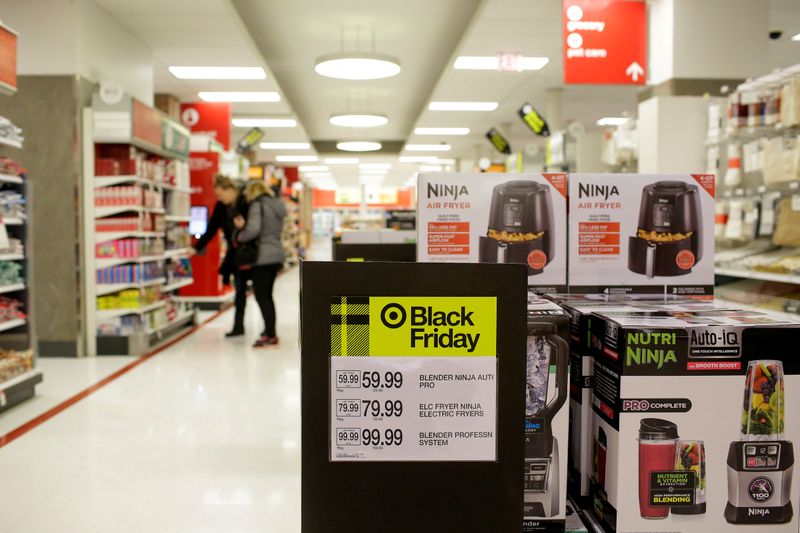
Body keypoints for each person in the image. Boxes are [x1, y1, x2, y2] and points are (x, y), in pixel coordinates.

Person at [189, 174, 250, 337]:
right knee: (239, 291)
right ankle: (238, 326)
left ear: (230, 189)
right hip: (236, 255)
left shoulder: (246, 202)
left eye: (220, 194)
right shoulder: (221, 207)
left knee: (262, 293)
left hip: (252, 253)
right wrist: (196, 248)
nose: (219, 198)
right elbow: (211, 229)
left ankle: (269, 331)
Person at [234, 179, 287, 347]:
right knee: (268, 295)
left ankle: (270, 334)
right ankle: (269, 330)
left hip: (263, 256)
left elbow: (254, 229)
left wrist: (239, 235)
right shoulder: (277, 204)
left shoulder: (258, 205)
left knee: (262, 296)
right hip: (276, 252)